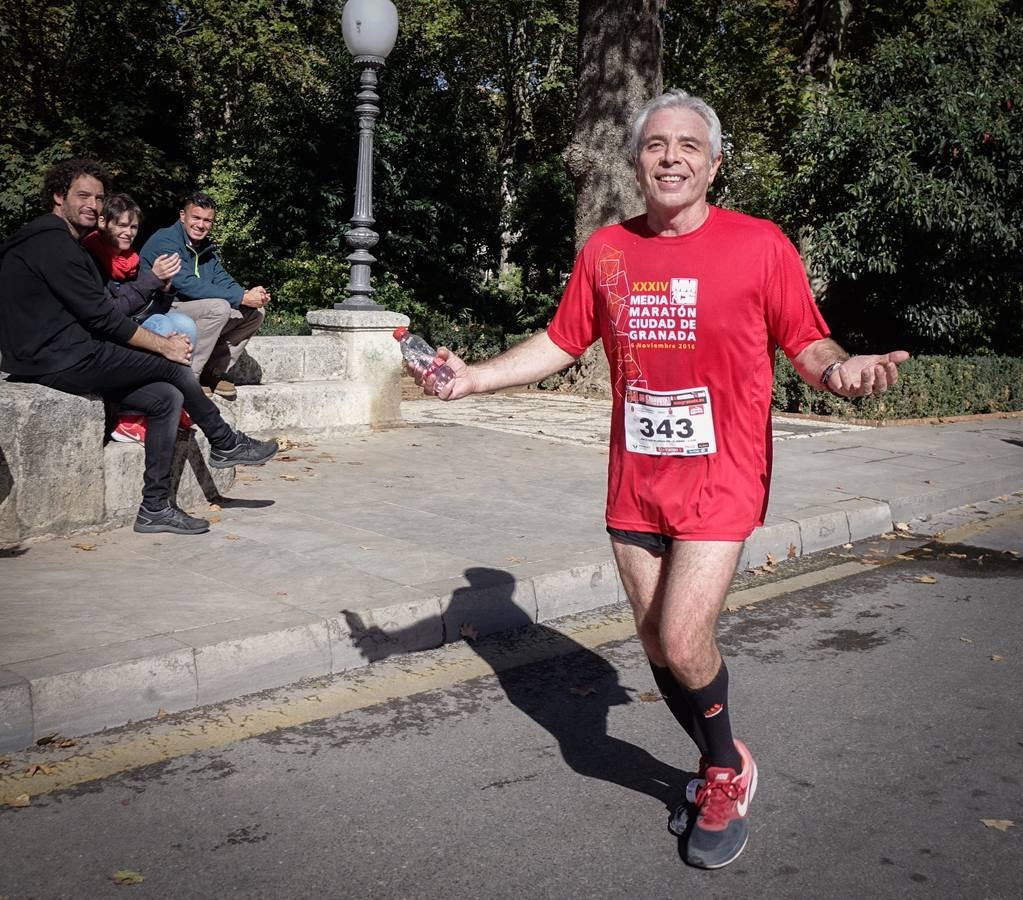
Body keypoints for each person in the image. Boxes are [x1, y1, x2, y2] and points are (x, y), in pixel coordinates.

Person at [423, 90, 909, 869]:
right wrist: (473, 379)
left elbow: (808, 343)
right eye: (656, 145)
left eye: (688, 145)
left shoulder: (759, 245)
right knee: (655, 638)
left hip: (723, 474)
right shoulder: (607, 251)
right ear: (636, 161)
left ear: (713, 164)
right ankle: (724, 751)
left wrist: (842, 369)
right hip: (636, 478)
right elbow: (560, 339)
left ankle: (721, 770)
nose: (671, 157)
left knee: (682, 638)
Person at [0, 158, 280, 536]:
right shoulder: (52, 243)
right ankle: (223, 439)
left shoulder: (64, 241)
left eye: (98, 198)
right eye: (82, 195)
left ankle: (155, 508)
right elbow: (103, 318)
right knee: (169, 364)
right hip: (55, 356)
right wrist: (163, 345)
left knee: (165, 396)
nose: (93, 205)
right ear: (57, 196)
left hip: (64, 350)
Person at [82, 192, 200, 442]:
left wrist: (165, 289)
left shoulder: (130, 259)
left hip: (130, 325)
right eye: (122, 225)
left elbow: (149, 307)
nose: (129, 232)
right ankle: (130, 419)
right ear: (104, 223)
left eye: (133, 226)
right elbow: (113, 311)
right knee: (160, 325)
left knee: (183, 323)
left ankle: (175, 402)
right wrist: (151, 279)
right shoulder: (91, 256)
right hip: (103, 336)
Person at [139, 191, 270, 399]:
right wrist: (241, 298)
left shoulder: (204, 249)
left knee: (256, 313)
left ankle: (213, 372)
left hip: (194, 310)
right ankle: (189, 376)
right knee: (219, 307)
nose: (201, 225)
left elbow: (222, 278)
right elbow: (186, 284)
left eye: (207, 220)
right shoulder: (165, 240)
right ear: (183, 216)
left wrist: (249, 295)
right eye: (196, 218)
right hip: (163, 308)